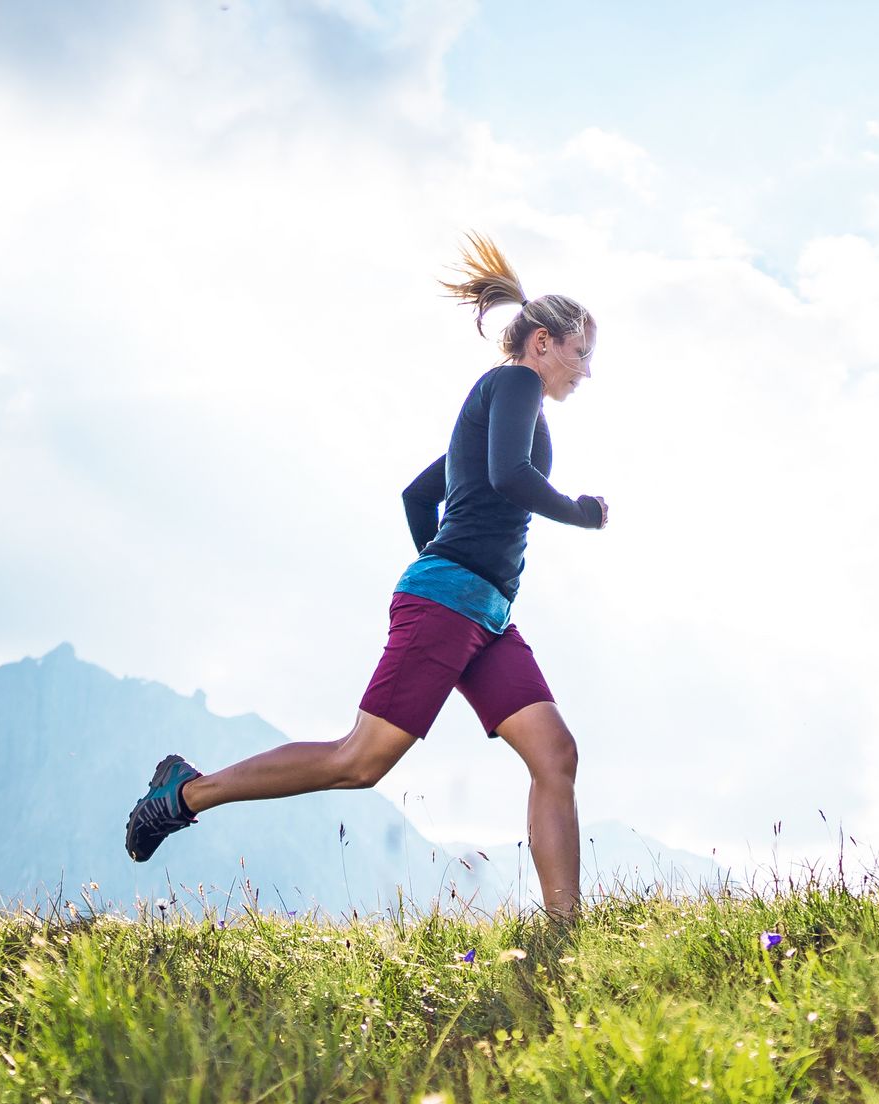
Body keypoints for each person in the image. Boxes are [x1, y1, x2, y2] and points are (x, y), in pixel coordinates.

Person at [124, 234, 609, 923]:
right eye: (580, 353)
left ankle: (565, 935)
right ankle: (182, 794)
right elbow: (507, 478)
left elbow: (421, 495)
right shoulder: (513, 384)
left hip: (486, 614)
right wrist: (578, 513)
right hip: (451, 605)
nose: (584, 371)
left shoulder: (507, 404)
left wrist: (450, 565)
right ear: (541, 344)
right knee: (360, 761)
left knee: (555, 754)